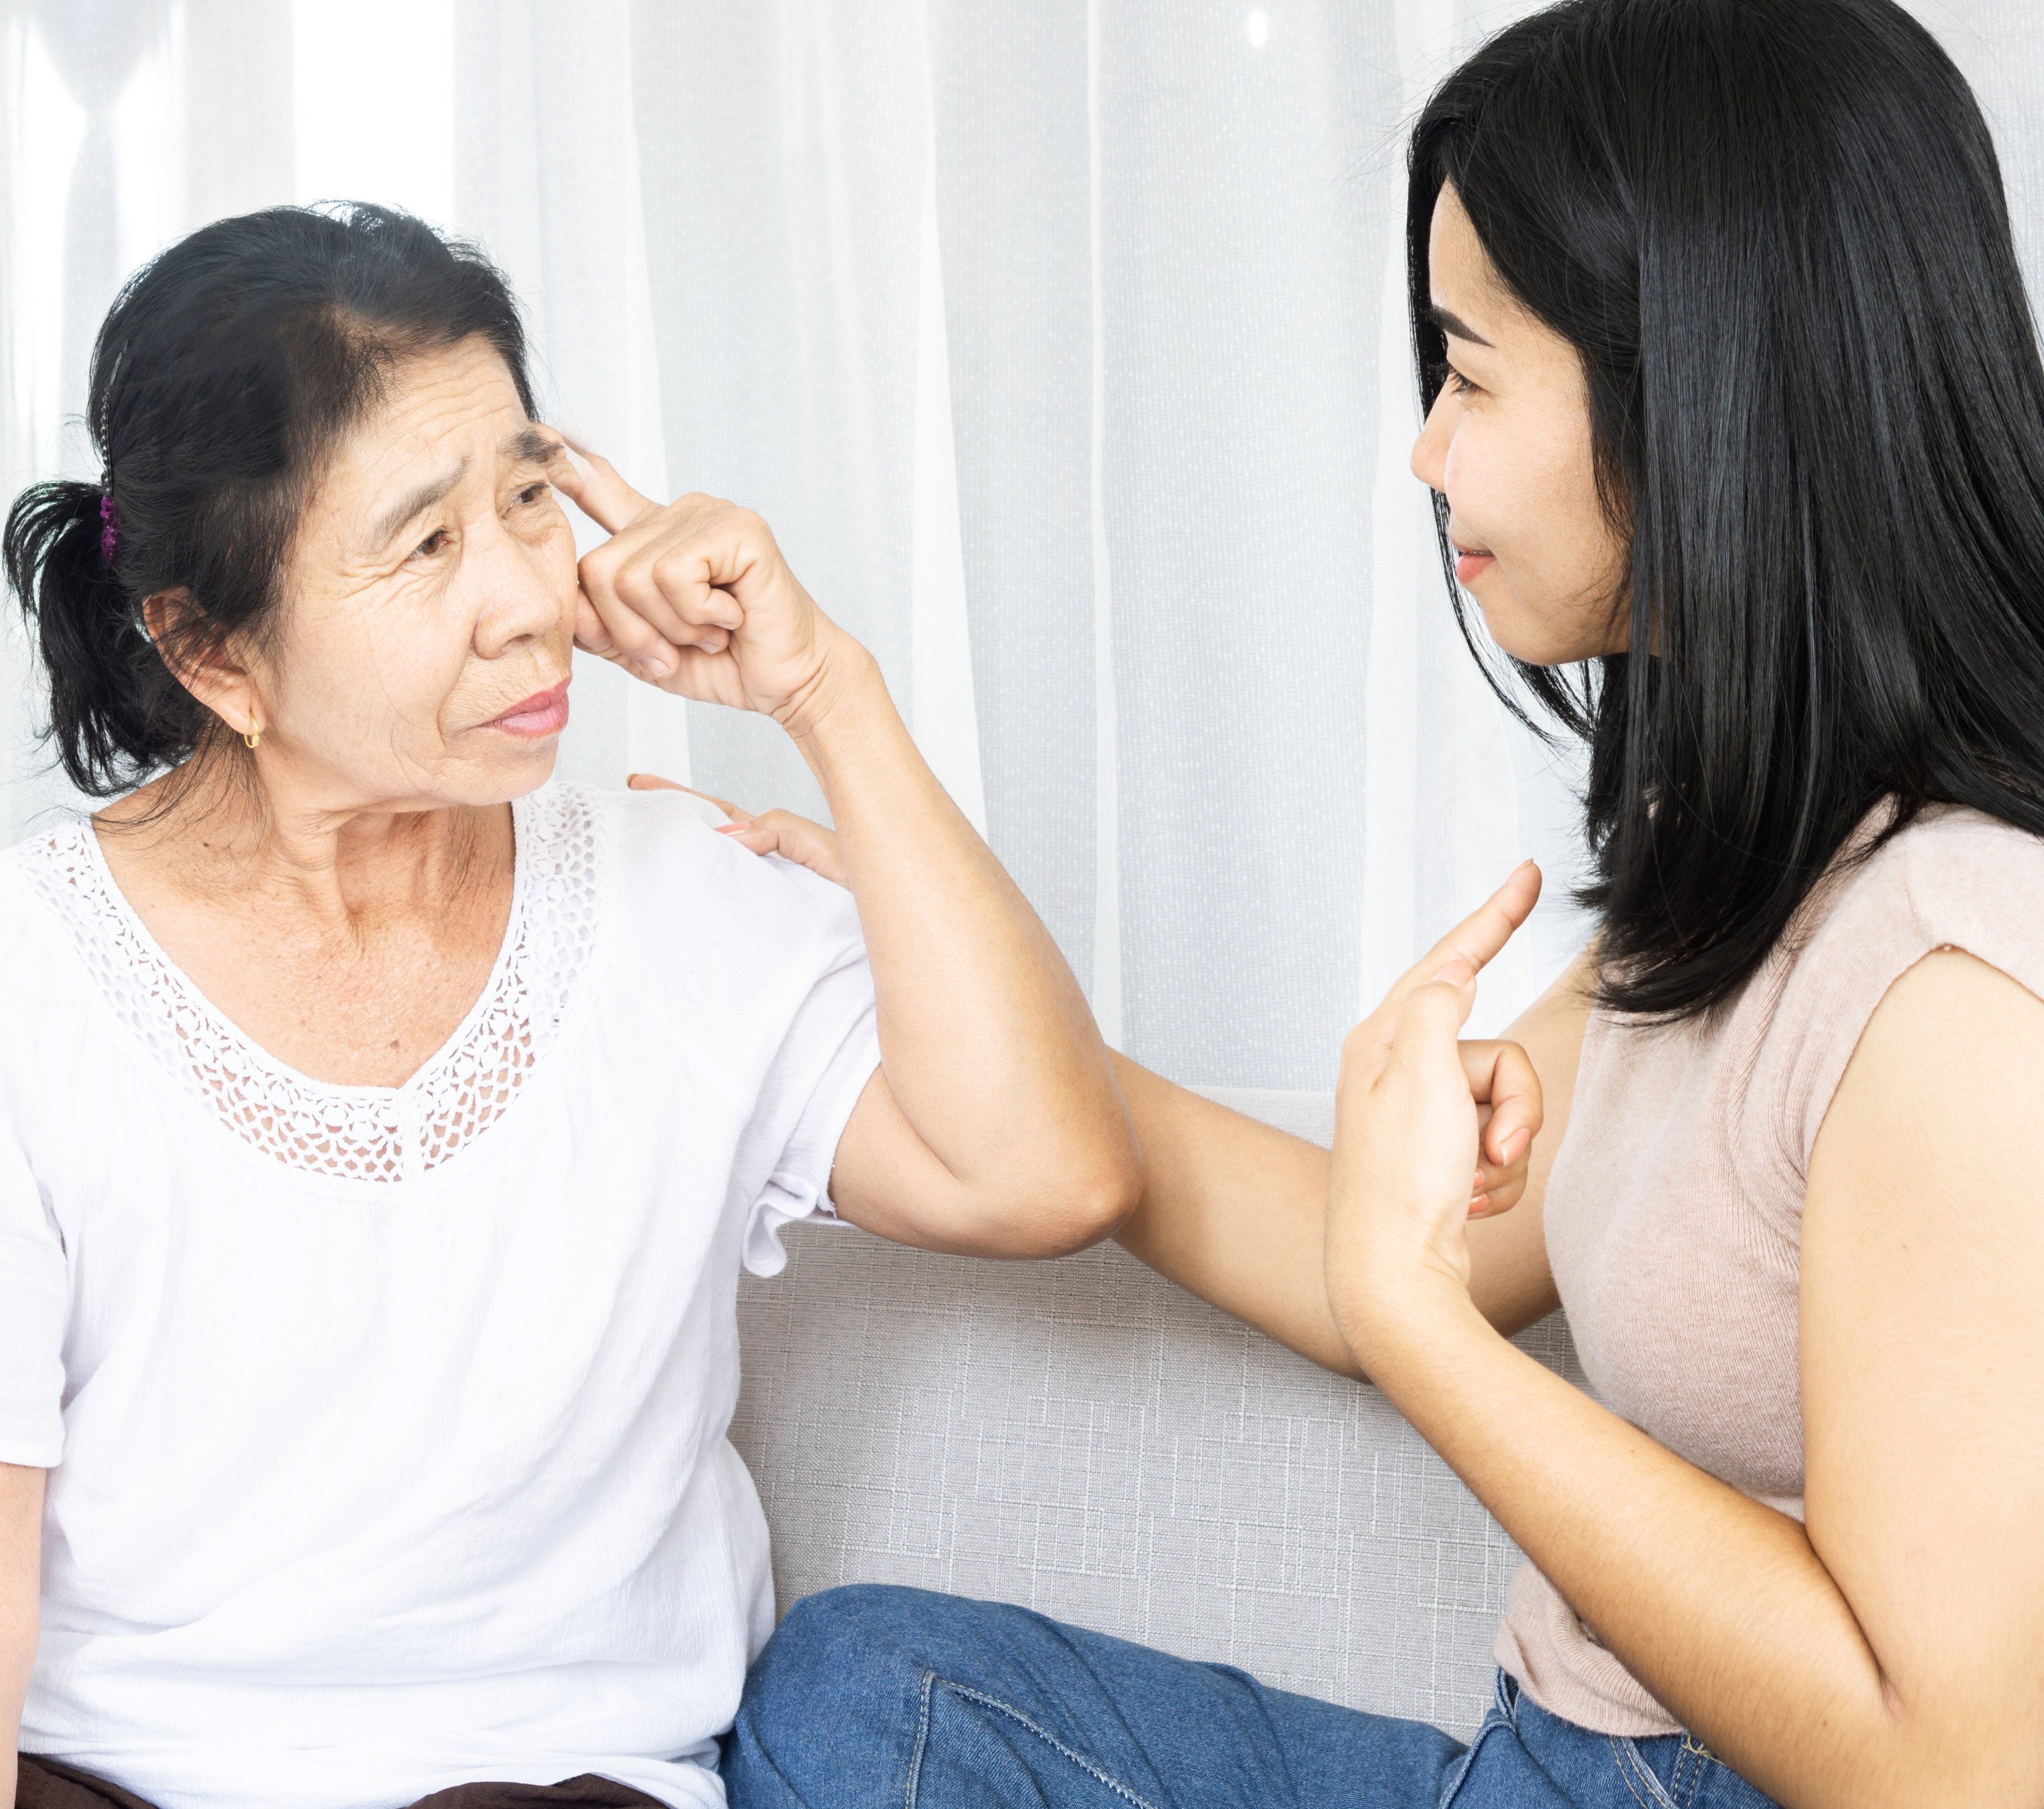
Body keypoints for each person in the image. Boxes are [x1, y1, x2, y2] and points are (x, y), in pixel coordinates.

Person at [712, 1, 2044, 1805]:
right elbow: (1372, 1254)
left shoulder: (1953, 979)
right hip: (1540, 1762)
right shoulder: (1771, 877)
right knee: (867, 1692)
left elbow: (1945, 1764)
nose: (1429, 454)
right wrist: (949, 980)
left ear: (1700, 395)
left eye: (1473, 374)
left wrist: (1423, 1333)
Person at [0, 205, 1144, 1809]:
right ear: (210, 652)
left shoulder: (686, 902)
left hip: (547, 1786)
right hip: (90, 1782)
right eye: (426, 543)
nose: (531, 599)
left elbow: (1044, 1175)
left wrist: (826, 694)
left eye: (529, 498)